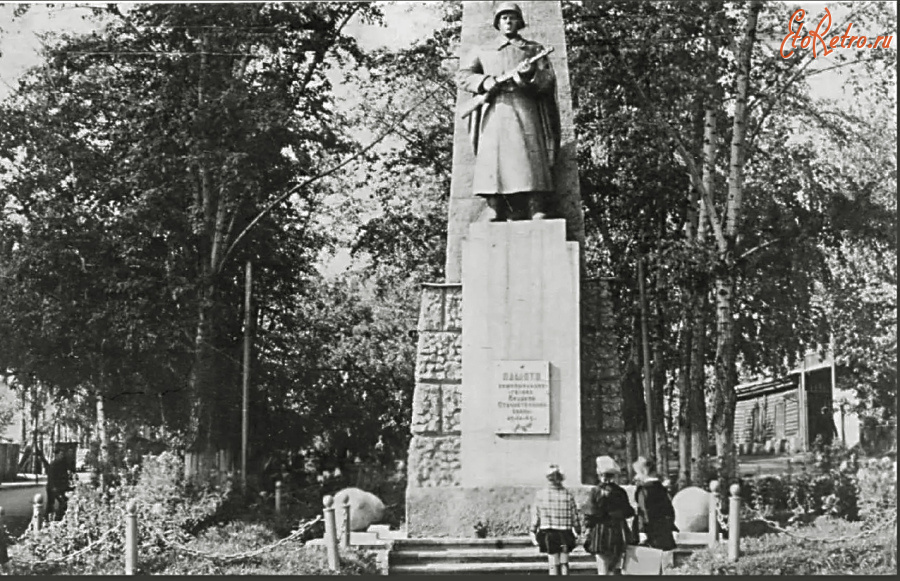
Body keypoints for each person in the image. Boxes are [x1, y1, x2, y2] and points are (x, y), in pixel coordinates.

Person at [457, 2, 560, 222]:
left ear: (520, 21)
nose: (508, 21)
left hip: (525, 105)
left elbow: (547, 80)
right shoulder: (483, 49)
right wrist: (486, 82)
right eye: (503, 17)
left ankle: (536, 206)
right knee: (493, 158)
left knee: (531, 154)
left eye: (512, 17)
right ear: (497, 22)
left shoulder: (533, 49)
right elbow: (463, 75)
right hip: (495, 108)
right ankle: (494, 207)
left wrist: (528, 76)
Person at [582, 456, 634, 575]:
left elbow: (590, 513)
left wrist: (587, 529)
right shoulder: (620, 492)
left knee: (602, 568)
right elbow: (628, 511)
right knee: (615, 567)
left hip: (600, 531)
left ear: (600, 475)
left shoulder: (595, 491)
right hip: (617, 530)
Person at [531, 464, 580, 575]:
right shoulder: (568, 495)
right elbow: (574, 517)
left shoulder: (540, 495)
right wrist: (578, 531)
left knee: (553, 563)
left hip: (549, 534)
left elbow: (536, 516)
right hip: (565, 535)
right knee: (564, 562)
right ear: (560, 479)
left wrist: (533, 530)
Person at [631, 456, 677, 550]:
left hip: (649, 531)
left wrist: (642, 531)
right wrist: (671, 526)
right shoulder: (661, 489)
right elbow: (669, 510)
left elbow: (643, 511)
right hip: (664, 530)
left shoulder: (643, 491)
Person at [45, 447, 73, 521]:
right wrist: (53, 487)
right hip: (53, 488)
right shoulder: (53, 464)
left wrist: (68, 486)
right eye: (61, 454)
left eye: (63, 454)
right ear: (56, 455)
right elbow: (50, 477)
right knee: (52, 503)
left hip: (60, 487)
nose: (62, 456)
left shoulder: (63, 464)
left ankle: (59, 517)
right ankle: (48, 518)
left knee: (63, 502)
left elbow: (65, 476)